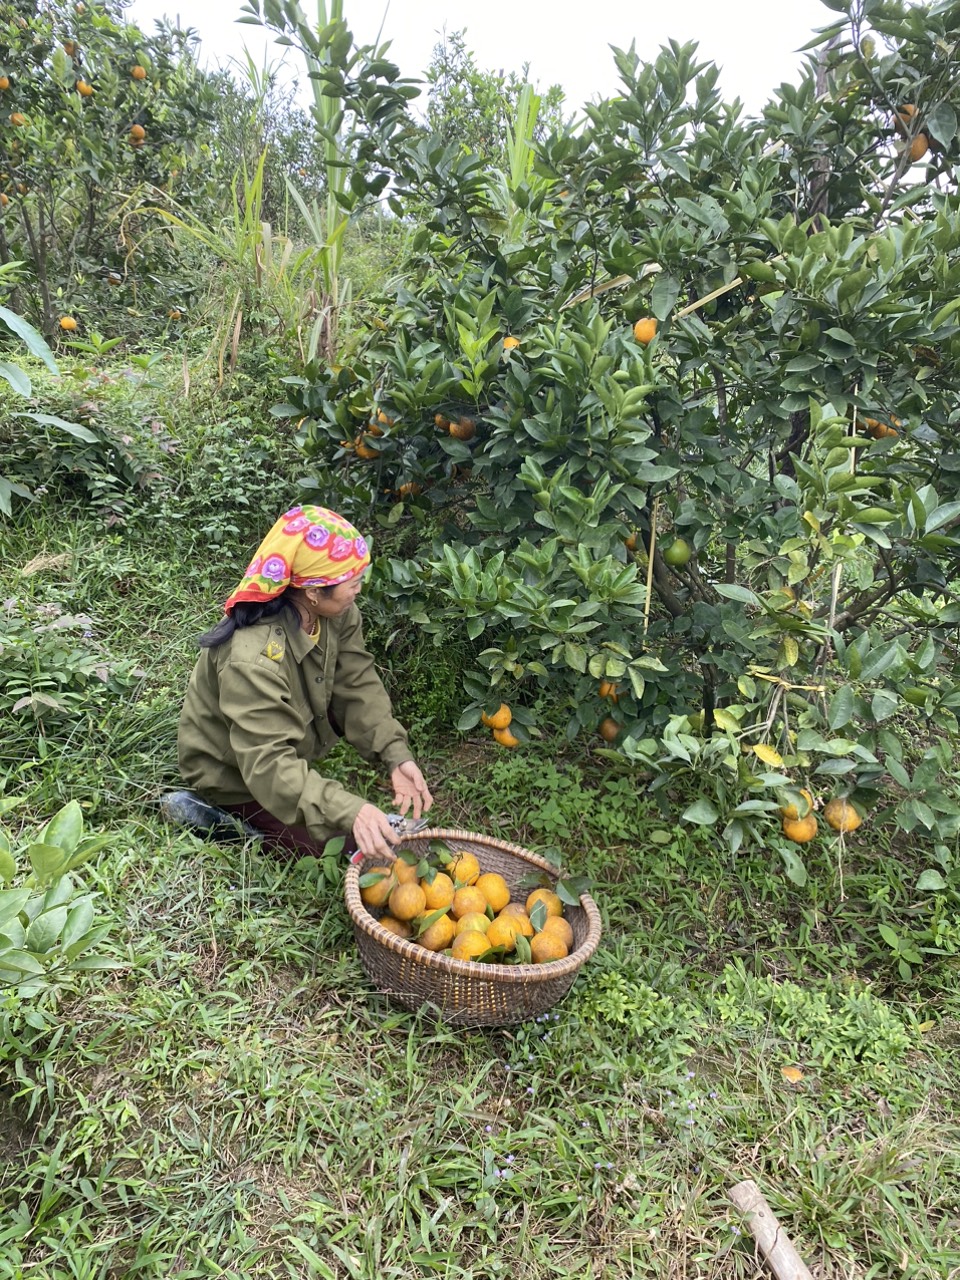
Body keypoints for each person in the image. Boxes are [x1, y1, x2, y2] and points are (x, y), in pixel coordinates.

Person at [171, 503, 433, 862]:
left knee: (354, 834)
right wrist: (352, 811)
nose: (359, 588)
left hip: (278, 746)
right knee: (342, 849)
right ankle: (217, 816)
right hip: (236, 769)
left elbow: (356, 682)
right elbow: (269, 764)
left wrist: (394, 753)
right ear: (313, 591)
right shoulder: (252, 659)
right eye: (352, 582)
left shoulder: (337, 613)